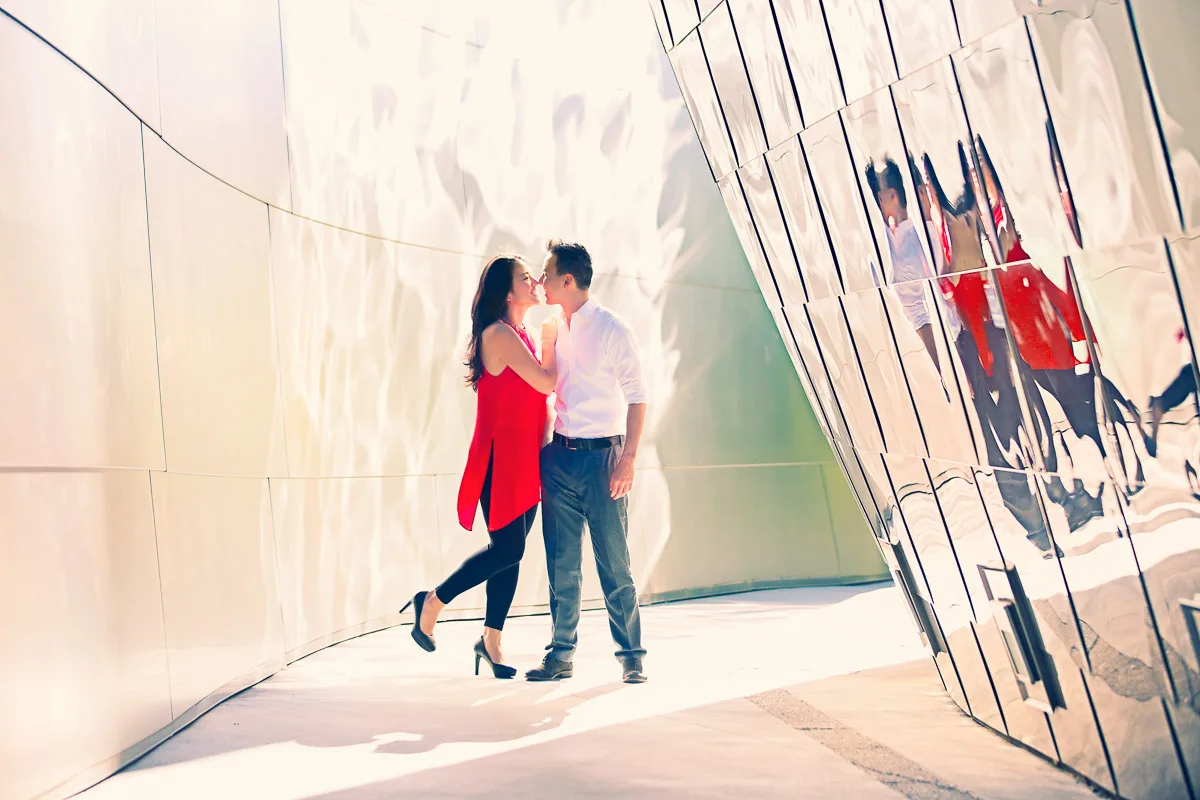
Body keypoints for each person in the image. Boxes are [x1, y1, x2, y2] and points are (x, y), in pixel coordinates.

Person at [404, 254, 558, 679]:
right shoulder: (499, 335)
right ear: (508, 292)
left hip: (525, 461)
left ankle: (490, 641)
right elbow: (547, 381)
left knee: (510, 556)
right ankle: (432, 601)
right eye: (525, 278)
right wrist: (551, 343)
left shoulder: (519, 332)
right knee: (509, 550)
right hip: (500, 463)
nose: (533, 282)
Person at [525, 239, 649, 685]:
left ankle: (632, 656)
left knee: (614, 564)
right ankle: (560, 656)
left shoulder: (612, 328)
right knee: (562, 563)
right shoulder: (554, 327)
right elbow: (546, 384)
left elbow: (637, 397)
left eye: (546, 274)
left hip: (604, 460)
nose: (541, 282)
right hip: (559, 456)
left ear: (568, 279)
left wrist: (628, 458)